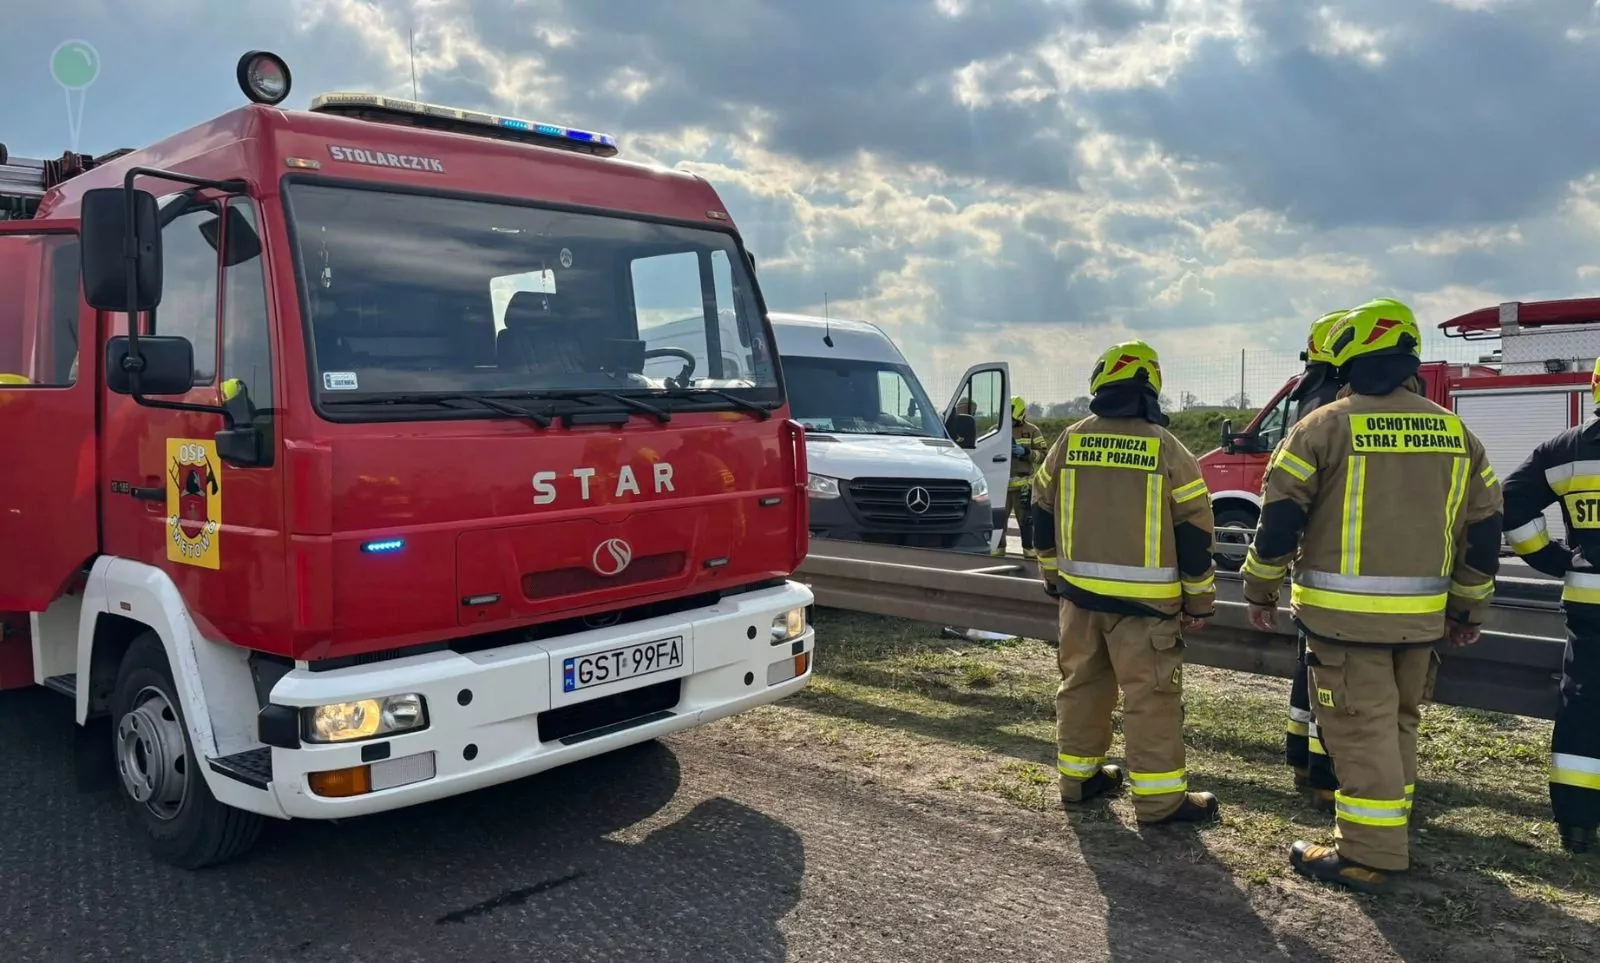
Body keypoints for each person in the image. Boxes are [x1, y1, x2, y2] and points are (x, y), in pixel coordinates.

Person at [1242, 298, 1503, 894]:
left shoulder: (1324, 426)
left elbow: (1280, 521)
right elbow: (1484, 529)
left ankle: (1370, 855)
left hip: (1344, 624)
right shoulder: (1456, 431)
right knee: (1397, 727)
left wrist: (1260, 589)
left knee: (1360, 733)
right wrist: (1467, 608)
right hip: (1421, 623)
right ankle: (1390, 829)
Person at [1030, 339, 1222, 825]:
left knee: (1081, 687)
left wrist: (1053, 577)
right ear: (1151, 386)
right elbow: (1195, 531)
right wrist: (1198, 602)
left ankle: (1078, 780)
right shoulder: (1168, 449)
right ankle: (1160, 803)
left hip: (1079, 601)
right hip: (1146, 610)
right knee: (1151, 700)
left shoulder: (1069, 441)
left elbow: (1040, 514)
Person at [1499, 356, 1600, 855]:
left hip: (1591, 607)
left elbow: (1511, 501)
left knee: (1584, 708)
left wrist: (1556, 560)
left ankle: (1577, 826)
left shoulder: (1568, 450)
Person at [1275, 310, 1349, 809]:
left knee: (1309, 669)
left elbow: (1282, 496)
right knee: (1333, 684)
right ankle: (1326, 777)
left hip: (1314, 570)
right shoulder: (1340, 407)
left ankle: (1303, 759)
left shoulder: (1314, 403)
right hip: (1348, 572)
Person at [999, 395, 1050, 558]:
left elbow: (1044, 456)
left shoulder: (1032, 431)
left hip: (1024, 488)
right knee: (998, 524)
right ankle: (997, 554)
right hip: (1002, 488)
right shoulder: (997, 429)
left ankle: (1030, 556)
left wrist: (1026, 452)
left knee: (1027, 523)